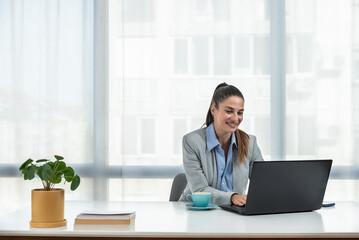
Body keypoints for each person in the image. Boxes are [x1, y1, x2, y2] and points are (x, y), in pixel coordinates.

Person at [179, 83, 263, 206]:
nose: (235, 118)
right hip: (197, 211)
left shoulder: (249, 143)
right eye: (229, 111)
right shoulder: (192, 142)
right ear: (213, 110)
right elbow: (200, 190)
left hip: (233, 213)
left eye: (240, 113)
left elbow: (263, 183)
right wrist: (232, 197)